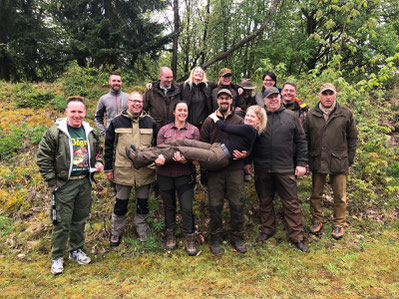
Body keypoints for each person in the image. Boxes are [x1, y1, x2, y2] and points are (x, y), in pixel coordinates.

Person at [37, 96, 104, 275]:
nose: (77, 115)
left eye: (80, 112)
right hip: (64, 185)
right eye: (73, 111)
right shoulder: (55, 132)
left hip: (84, 182)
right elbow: (43, 158)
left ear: (85, 113)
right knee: (61, 222)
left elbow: (99, 151)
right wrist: (52, 182)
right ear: (66, 112)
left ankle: (76, 251)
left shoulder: (90, 131)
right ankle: (57, 257)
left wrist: (99, 162)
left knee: (79, 220)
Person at [245, 87, 310, 252]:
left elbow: (301, 141)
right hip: (262, 167)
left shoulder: (291, 116)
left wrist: (301, 163)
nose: (273, 100)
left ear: (280, 98)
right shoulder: (259, 117)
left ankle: (296, 236)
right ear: (264, 100)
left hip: (285, 167)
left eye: (276, 97)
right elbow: (249, 141)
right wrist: (247, 162)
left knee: (291, 203)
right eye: (269, 98)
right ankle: (268, 229)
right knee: (265, 201)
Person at [126, 103, 265, 172]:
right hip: (216, 147)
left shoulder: (249, 129)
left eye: (252, 116)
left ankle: (140, 159)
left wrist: (214, 117)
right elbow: (253, 151)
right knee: (181, 141)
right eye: (248, 115)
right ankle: (141, 153)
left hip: (220, 155)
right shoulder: (252, 133)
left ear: (259, 121)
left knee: (179, 148)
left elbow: (225, 127)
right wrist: (245, 155)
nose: (248, 117)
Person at [201, 89, 253, 254]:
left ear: (231, 101)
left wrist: (246, 154)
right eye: (221, 98)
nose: (224, 101)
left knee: (237, 204)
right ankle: (216, 238)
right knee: (215, 205)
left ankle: (236, 237)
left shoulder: (239, 121)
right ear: (217, 100)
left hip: (235, 169)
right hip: (215, 169)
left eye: (227, 98)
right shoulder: (209, 120)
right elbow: (202, 143)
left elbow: (250, 144)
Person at [303, 83, 358, 240]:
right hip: (317, 160)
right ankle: (317, 219)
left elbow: (352, 138)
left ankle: (339, 223)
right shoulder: (311, 114)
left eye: (330, 94)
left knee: (340, 195)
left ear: (335, 95)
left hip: (339, 161)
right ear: (319, 95)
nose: (327, 97)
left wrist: (350, 160)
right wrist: (305, 159)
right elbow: (304, 139)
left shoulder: (345, 113)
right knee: (315, 194)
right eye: (324, 94)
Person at [146, 101, 200, 255]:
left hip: (185, 175)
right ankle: (171, 236)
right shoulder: (164, 130)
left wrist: (186, 160)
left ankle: (190, 237)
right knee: (169, 207)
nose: (182, 113)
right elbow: (159, 151)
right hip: (165, 175)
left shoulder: (194, 131)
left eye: (185, 110)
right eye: (180, 110)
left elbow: (196, 155)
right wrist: (159, 160)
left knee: (187, 208)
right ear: (174, 112)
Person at [104, 91, 158, 246]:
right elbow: (109, 146)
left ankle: (142, 232)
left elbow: (156, 146)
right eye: (134, 101)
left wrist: (155, 164)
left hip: (145, 171)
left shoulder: (150, 122)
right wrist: (108, 168)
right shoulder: (116, 122)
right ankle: (116, 233)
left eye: (140, 101)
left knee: (142, 204)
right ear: (127, 103)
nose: (137, 104)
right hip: (123, 171)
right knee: (120, 204)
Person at [95, 73, 130, 137]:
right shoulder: (103, 99)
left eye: (118, 81)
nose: (116, 83)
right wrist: (104, 133)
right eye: (114, 81)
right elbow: (98, 117)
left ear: (121, 82)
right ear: (109, 82)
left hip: (127, 134)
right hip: (110, 135)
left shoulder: (128, 98)